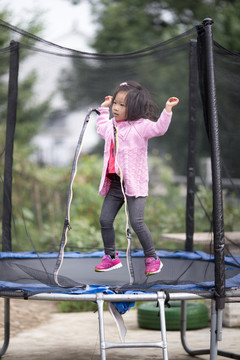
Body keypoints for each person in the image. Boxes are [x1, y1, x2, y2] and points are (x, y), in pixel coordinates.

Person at [94, 80, 179, 276]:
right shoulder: (111, 126)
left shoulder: (141, 127)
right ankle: (111, 257)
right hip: (115, 184)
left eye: (122, 105)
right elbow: (100, 127)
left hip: (134, 184)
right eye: (115, 102)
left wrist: (167, 110)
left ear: (133, 108)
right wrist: (102, 109)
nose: (116, 108)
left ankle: (152, 258)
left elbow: (159, 128)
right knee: (105, 220)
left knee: (137, 221)